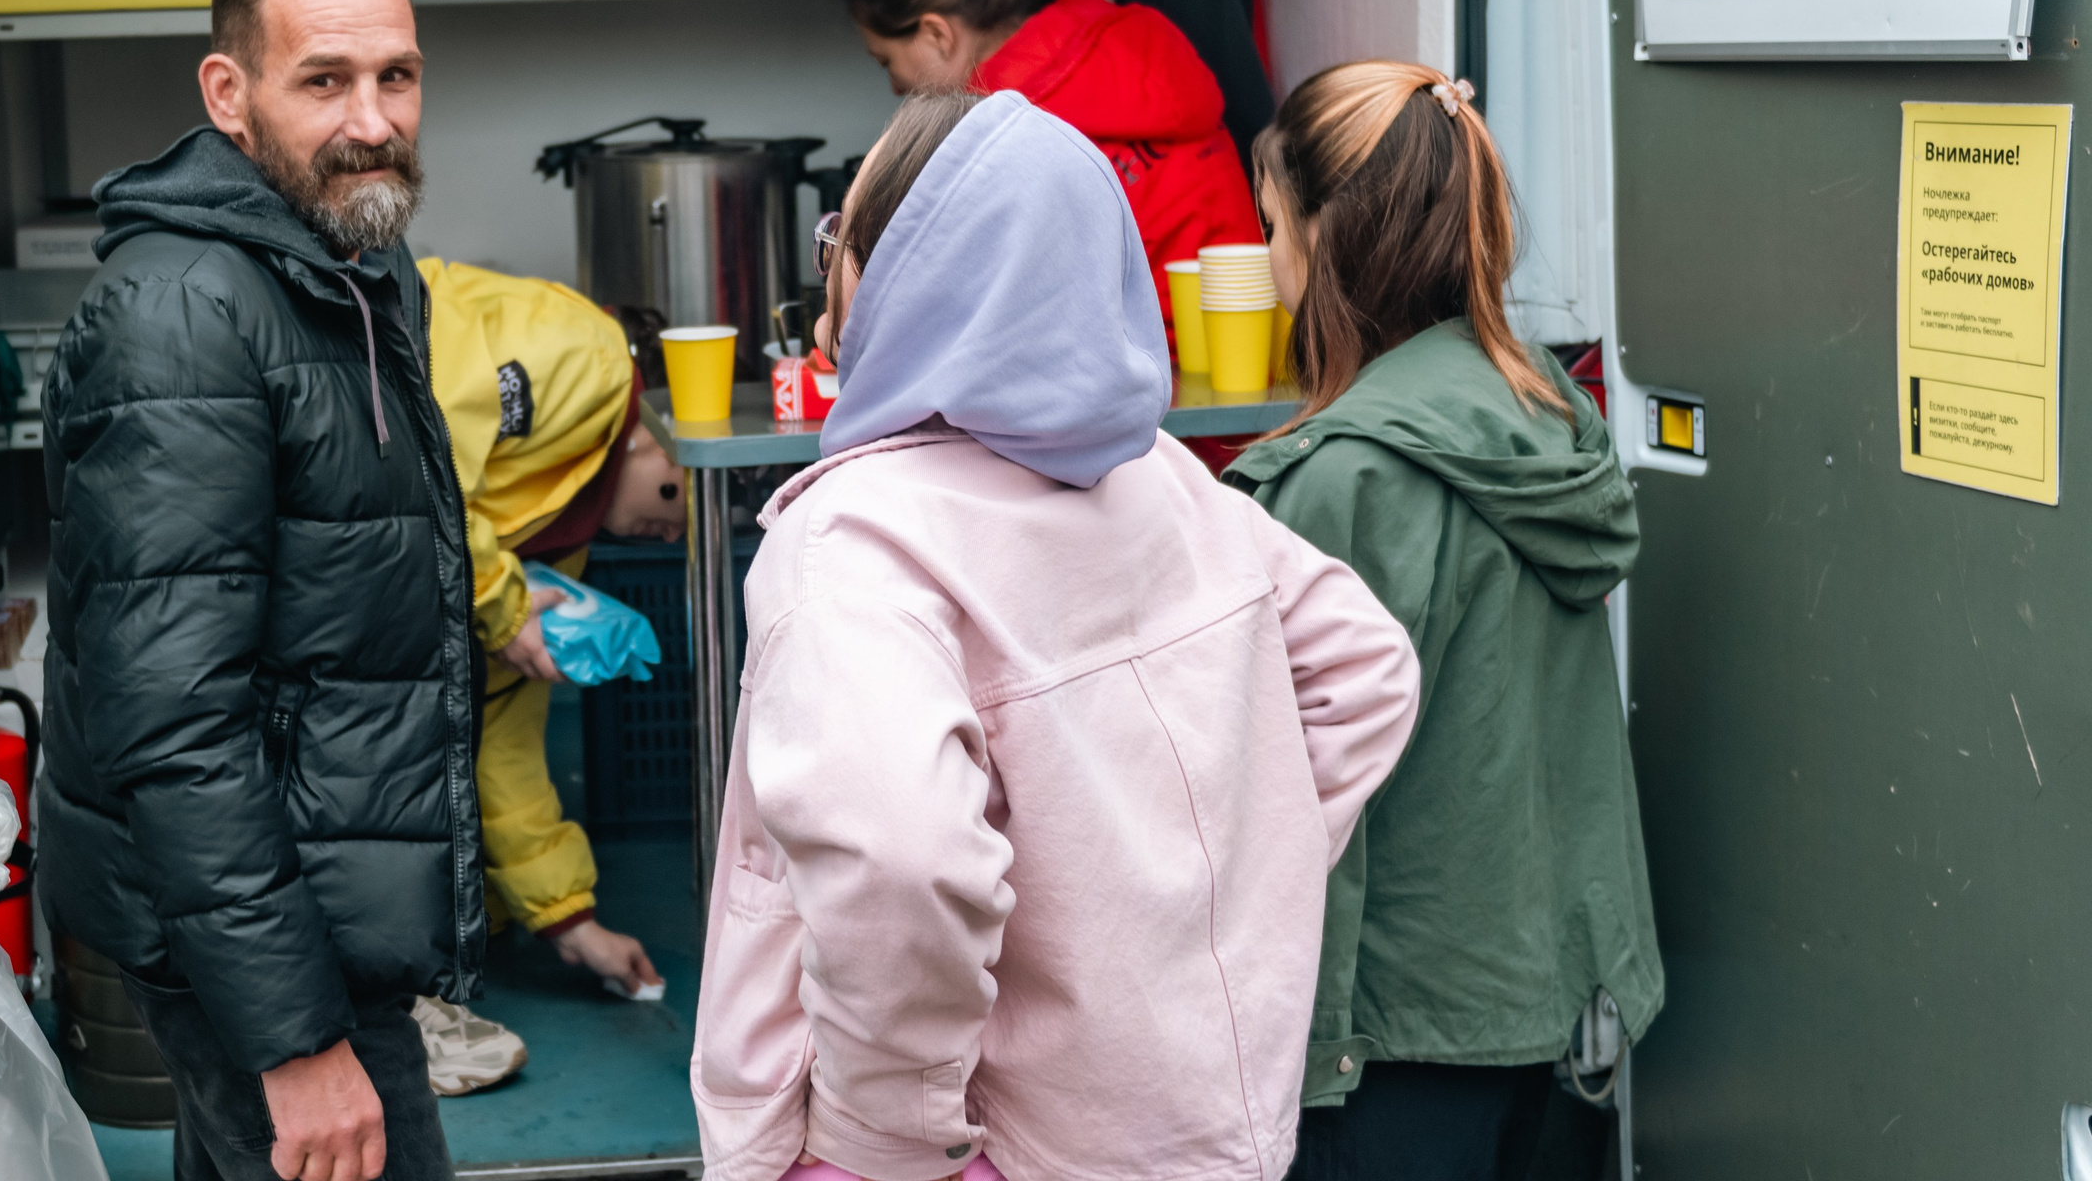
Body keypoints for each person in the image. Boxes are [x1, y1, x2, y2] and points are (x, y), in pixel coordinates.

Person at [689, 89, 1423, 1181]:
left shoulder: (854, 540)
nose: (831, 260)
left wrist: (887, 1127)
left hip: (970, 1151)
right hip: (1192, 1125)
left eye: (846, 235)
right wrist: (1188, 898)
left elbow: (901, 858)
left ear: (912, 276)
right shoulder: (1164, 479)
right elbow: (1366, 672)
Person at [38, 0, 477, 1181]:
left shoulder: (348, 265)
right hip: (260, 945)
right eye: (324, 82)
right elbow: (171, 720)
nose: (373, 121)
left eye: (396, 76)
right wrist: (293, 1041)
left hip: (309, 904)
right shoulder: (183, 315)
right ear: (229, 96)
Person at [1224, 61, 1661, 1181]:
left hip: (1389, 1044)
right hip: (1554, 1016)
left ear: (1326, 240)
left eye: (1271, 225)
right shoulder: (1545, 418)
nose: (1269, 259)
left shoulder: (1339, 482)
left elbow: (1282, 802)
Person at [410, 256, 686, 1094]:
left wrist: (571, 919)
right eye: (681, 501)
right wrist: (499, 600)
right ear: (656, 434)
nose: (672, 533)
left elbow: (505, 741)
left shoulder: (553, 550)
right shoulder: (592, 362)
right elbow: (433, 439)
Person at [842, 0, 1262, 334]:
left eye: (887, 62)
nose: (896, 87)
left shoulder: (999, 132)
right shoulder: (1131, 42)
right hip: (1249, 343)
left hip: (1141, 375)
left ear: (938, 34)